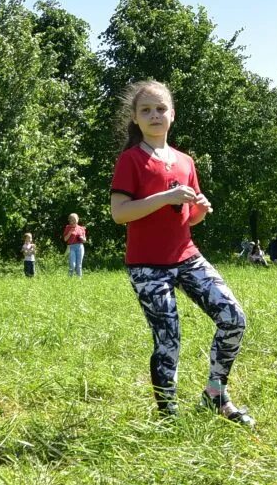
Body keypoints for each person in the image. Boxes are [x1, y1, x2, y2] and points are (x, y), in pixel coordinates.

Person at [108, 79, 254, 425]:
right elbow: (120, 213)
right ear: (135, 118)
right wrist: (164, 198)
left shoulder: (185, 161)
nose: (154, 115)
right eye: (146, 110)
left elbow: (186, 219)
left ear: (172, 115)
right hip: (147, 267)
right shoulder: (130, 161)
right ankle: (168, 417)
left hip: (187, 258)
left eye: (161, 109)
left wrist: (200, 208)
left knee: (233, 318)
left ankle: (215, 396)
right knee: (168, 338)